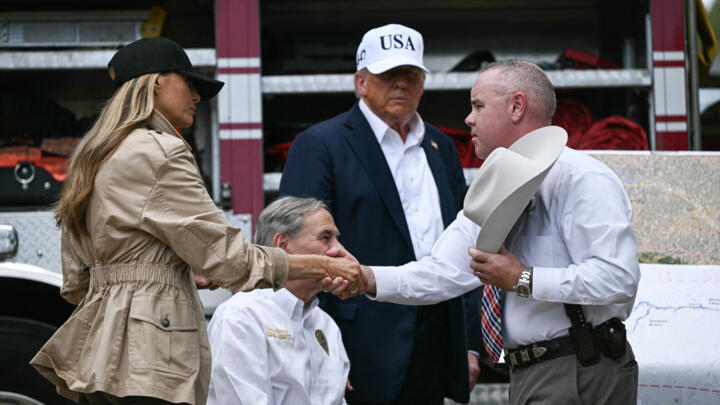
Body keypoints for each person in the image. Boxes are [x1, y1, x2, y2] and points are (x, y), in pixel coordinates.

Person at [29, 37, 362, 405]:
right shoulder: (162, 151)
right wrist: (317, 266)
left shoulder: (94, 158)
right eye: (189, 83)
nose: (197, 97)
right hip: (152, 358)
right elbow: (231, 259)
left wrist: (172, 274)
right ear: (157, 82)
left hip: (100, 353)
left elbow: (77, 280)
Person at [355, 59, 641, 404]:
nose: (468, 119)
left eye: (477, 105)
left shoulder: (581, 178)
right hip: (536, 372)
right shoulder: (497, 186)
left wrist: (524, 278)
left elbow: (618, 278)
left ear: (516, 106)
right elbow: (441, 272)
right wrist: (363, 278)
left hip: (581, 369)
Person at [280, 24, 480, 405]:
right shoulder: (321, 145)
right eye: (388, 75)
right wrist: (318, 347)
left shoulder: (442, 147)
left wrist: (468, 344)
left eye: (411, 74)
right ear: (361, 82)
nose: (400, 84)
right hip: (358, 344)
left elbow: (466, 244)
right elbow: (300, 251)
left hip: (436, 337)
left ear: (423, 82)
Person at [207, 197, 352, 405]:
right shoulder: (240, 315)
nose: (338, 249)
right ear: (282, 244)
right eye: (325, 238)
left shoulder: (325, 323)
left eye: (336, 239)